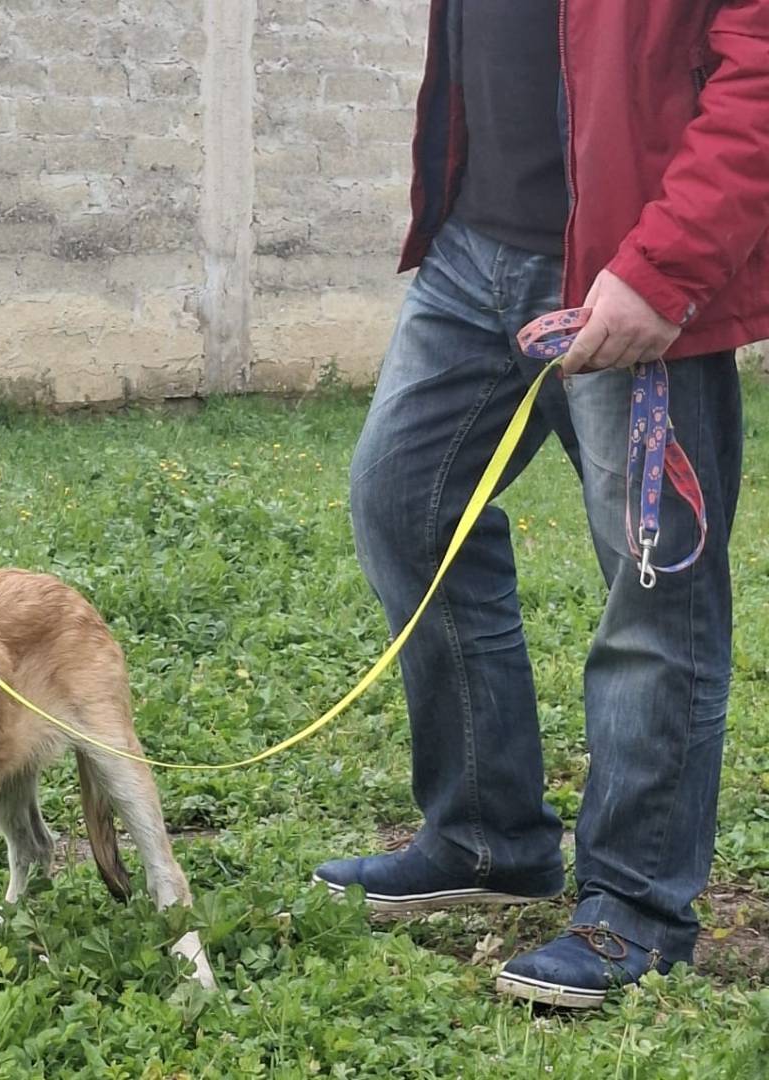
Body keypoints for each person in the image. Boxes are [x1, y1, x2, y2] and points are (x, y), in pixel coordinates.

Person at [310, 0, 769, 1008]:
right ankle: (488, 838)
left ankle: (636, 910)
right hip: (475, 247)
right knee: (404, 505)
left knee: (655, 593)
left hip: (628, 267)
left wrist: (666, 267)